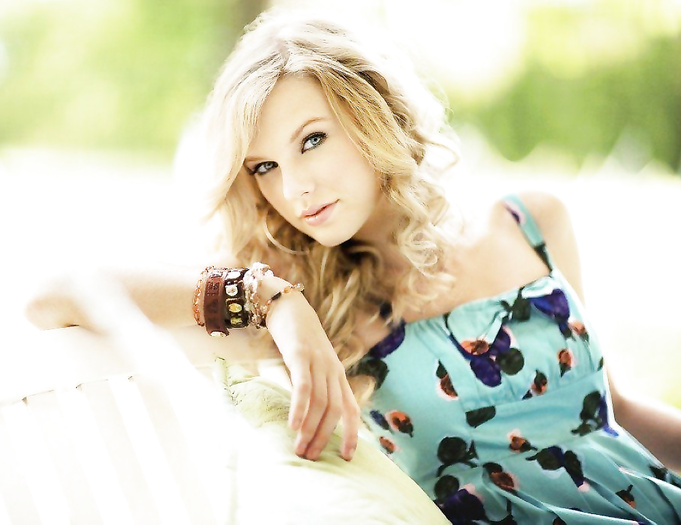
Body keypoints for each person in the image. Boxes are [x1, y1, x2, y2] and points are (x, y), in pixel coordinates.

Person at [25, 7, 681, 524]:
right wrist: (273, 300)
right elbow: (56, 292)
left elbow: (614, 408)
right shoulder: (312, 297)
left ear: (373, 112)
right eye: (265, 167)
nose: (295, 188)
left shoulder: (529, 221)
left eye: (311, 139)